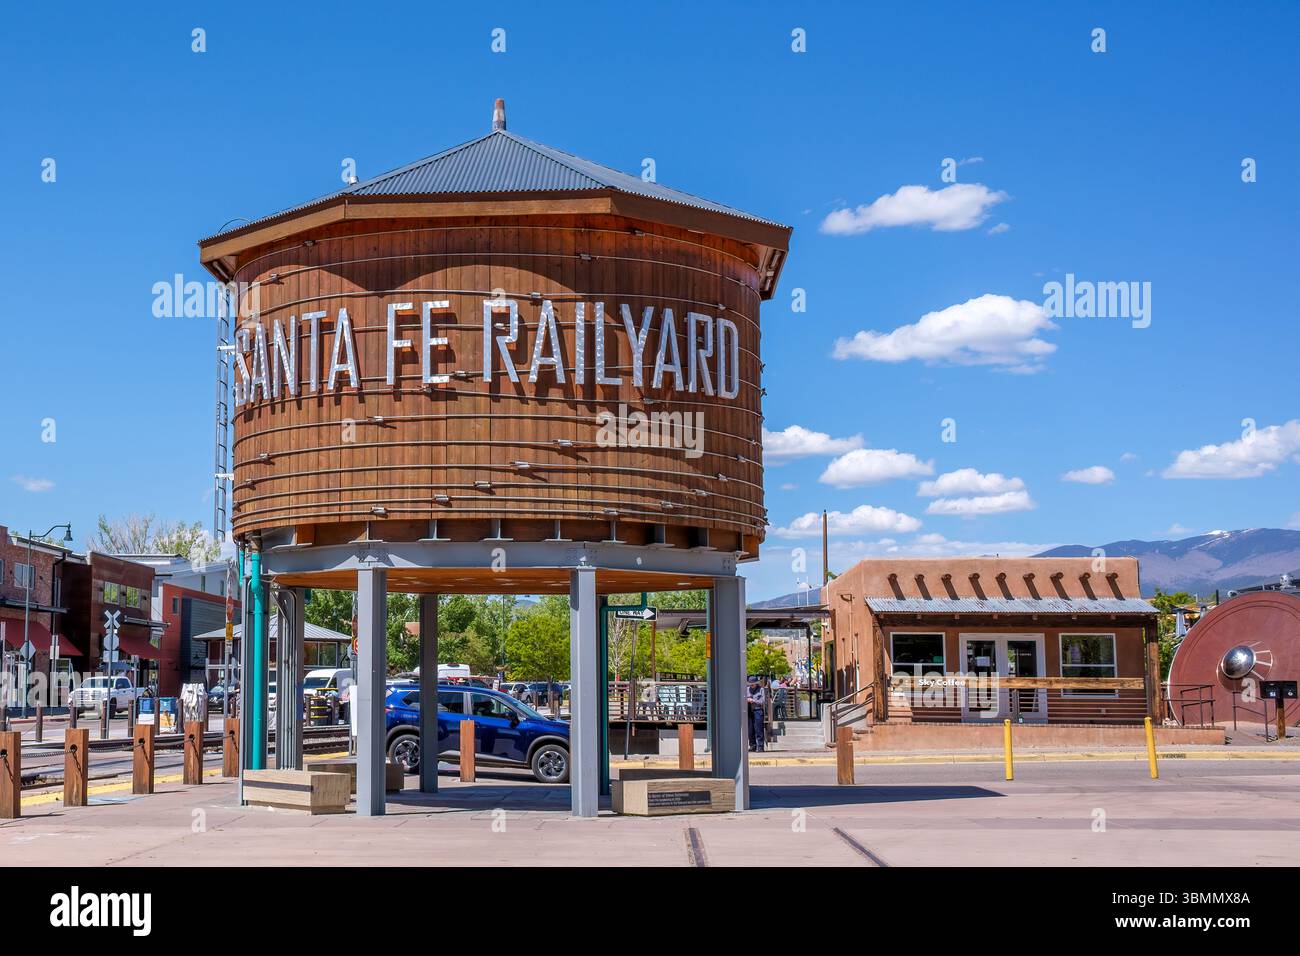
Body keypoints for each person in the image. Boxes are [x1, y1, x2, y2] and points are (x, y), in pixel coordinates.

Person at [746, 677, 767, 752]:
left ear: (756, 683)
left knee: (759, 729)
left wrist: (753, 700)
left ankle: (760, 746)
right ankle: (752, 746)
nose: (751, 686)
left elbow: (763, 701)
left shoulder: (761, 689)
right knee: (750, 730)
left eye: (753, 684)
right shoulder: (747, 689)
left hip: (758, 710)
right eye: (750, 684)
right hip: (749, 711)